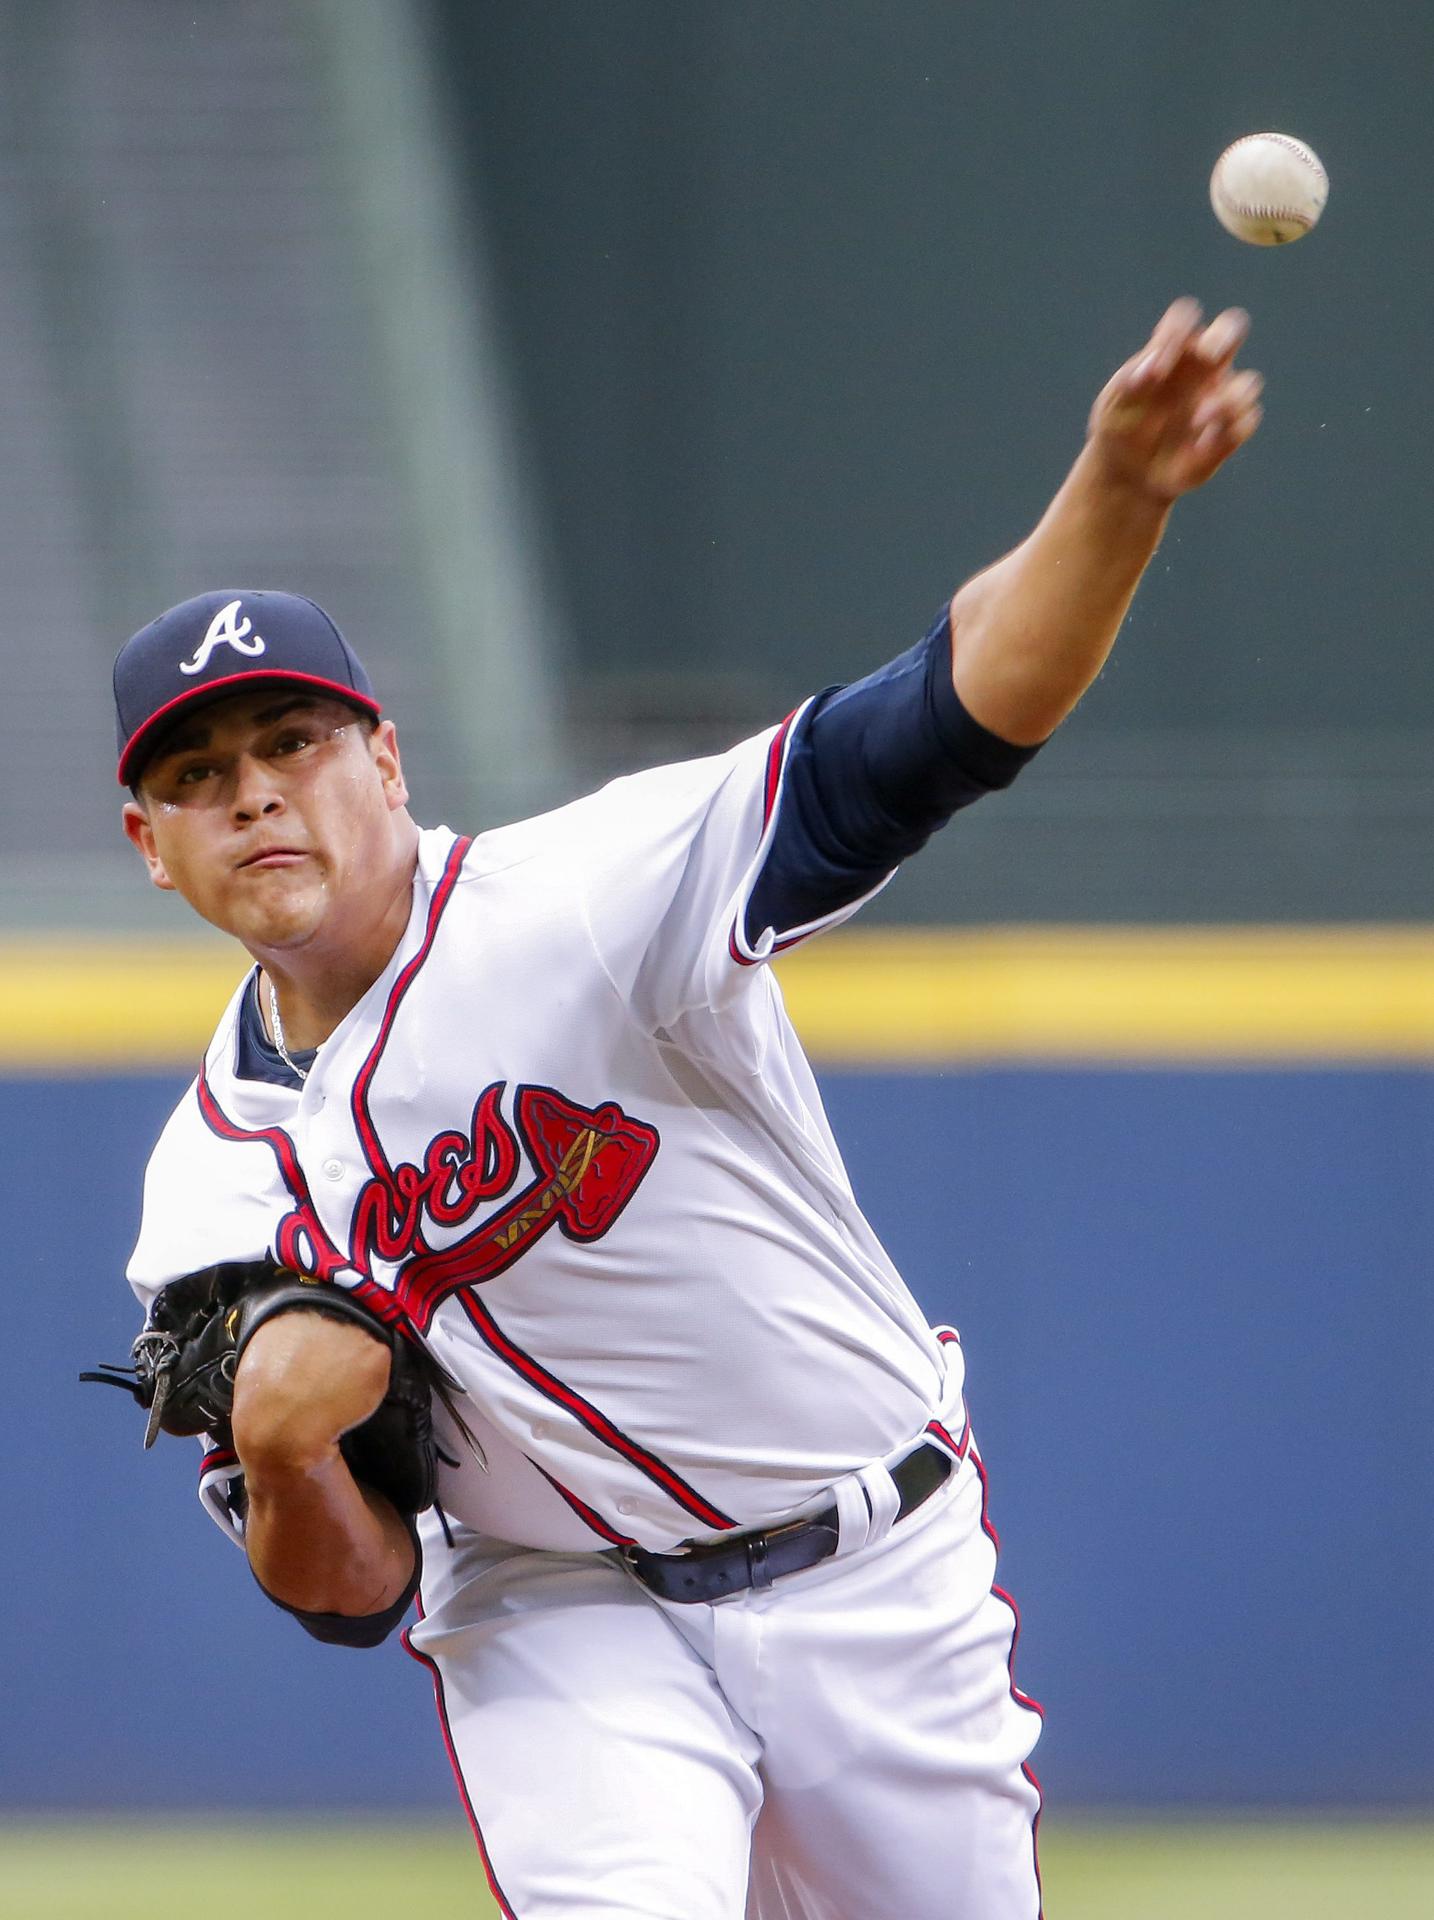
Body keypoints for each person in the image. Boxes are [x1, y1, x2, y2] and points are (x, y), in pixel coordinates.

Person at [113, 298, 1262, 1920]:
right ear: (151, 845)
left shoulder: (589, 892)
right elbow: (351, 1600)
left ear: (383, 758)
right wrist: (290, 1457)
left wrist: (1116, 499)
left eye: (290, 739)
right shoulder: (204, 1195)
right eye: (194, 775)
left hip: (872, 1556)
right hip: (556, 1610)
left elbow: (930, 727)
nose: (250, 792)